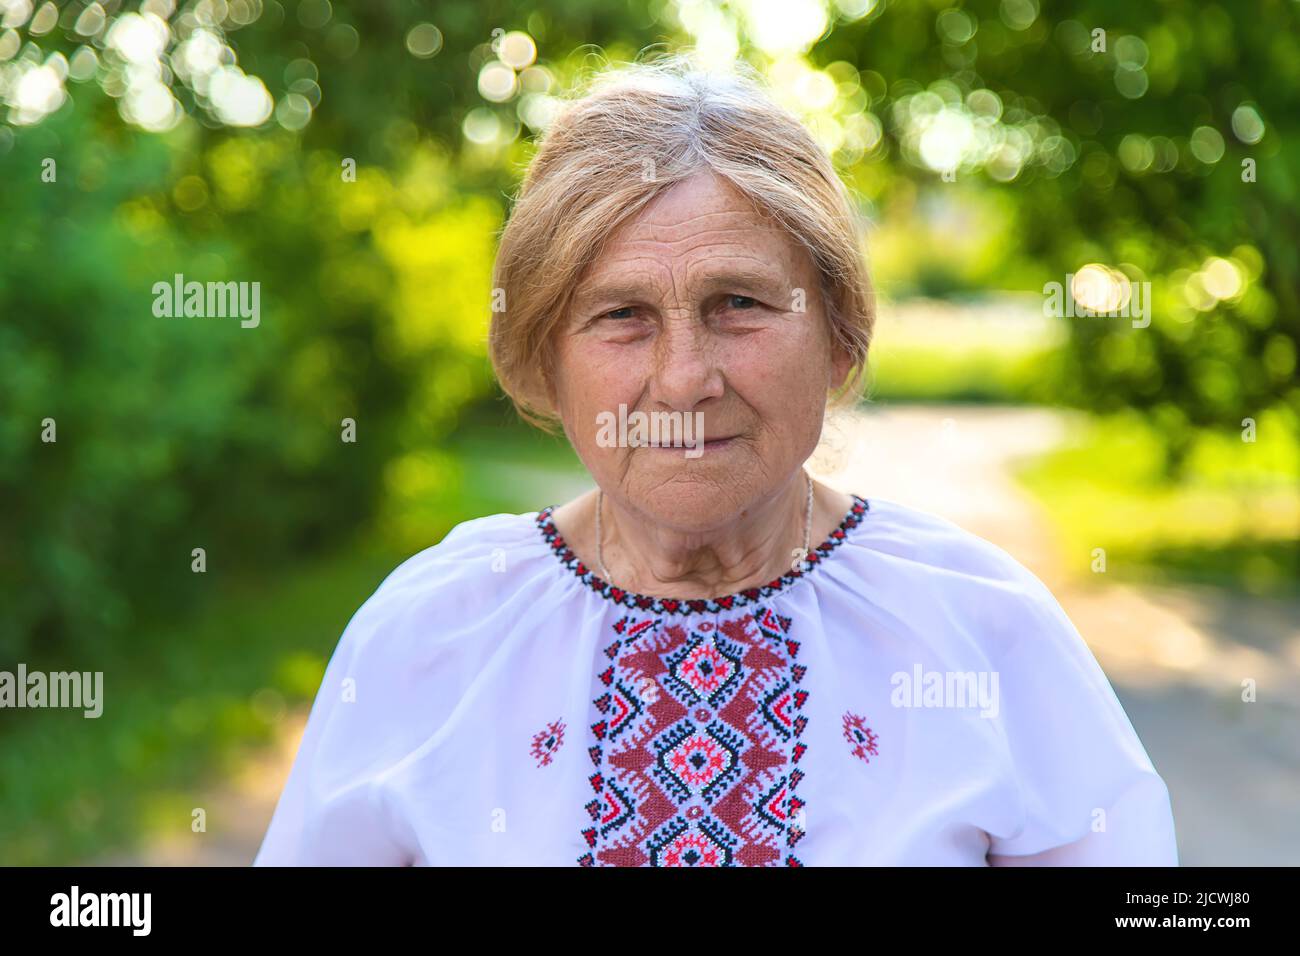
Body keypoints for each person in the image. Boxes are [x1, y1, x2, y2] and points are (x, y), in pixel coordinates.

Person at [253, 55, 1178, 867]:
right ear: (545, 356)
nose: (685, 379)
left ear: (840, 339)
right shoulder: (431, 634)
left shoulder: (983, 627)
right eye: (622, 317)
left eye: (738, 302)